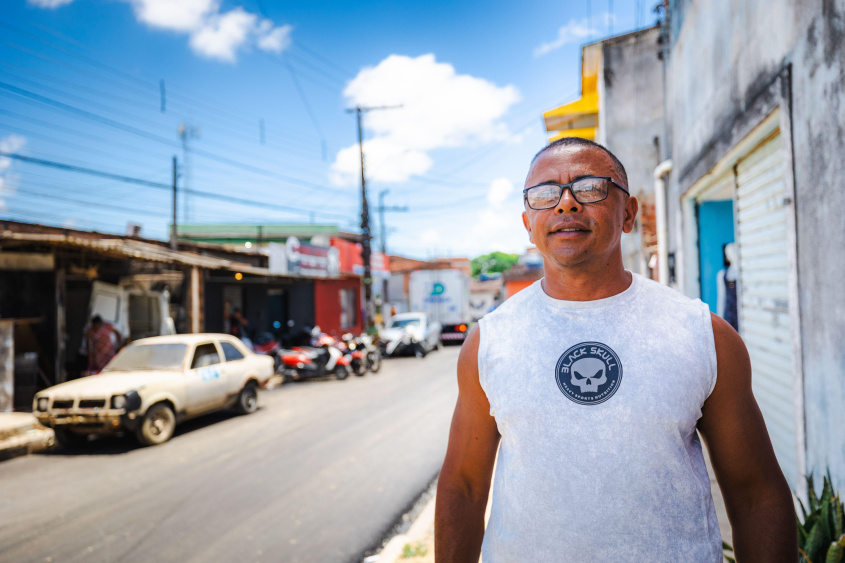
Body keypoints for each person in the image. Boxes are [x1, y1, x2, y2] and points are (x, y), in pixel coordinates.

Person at [435, 138, 796, 562]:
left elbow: (757, 496)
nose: (566, 204)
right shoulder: (489, 341)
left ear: (628, 213)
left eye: (589, 188)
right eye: (546, 194)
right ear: (528, 223)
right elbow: (463, 485)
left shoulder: (703, 335)